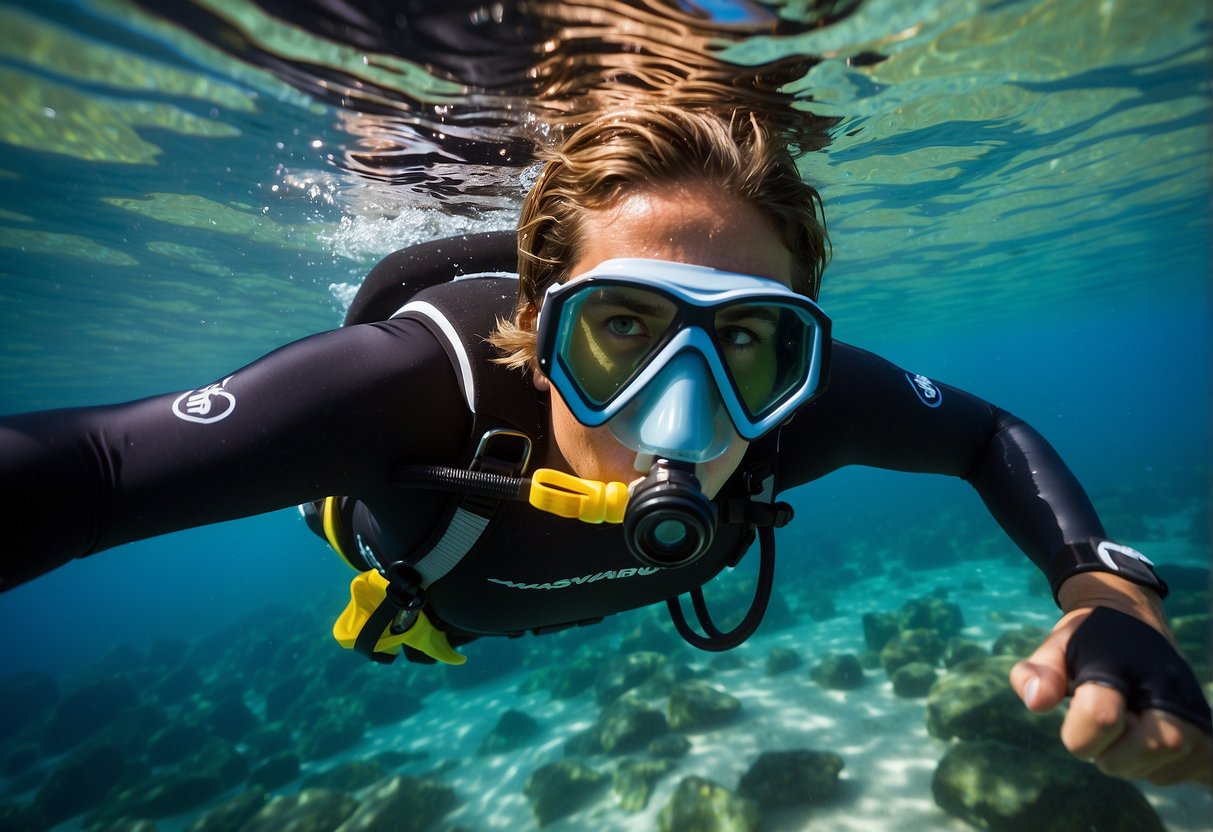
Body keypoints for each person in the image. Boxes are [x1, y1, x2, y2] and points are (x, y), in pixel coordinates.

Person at [1, 105, 1209, 787]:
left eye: (747, 341)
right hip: (429, 583)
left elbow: (988, 432)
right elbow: (91, 472)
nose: (673, 410)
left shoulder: (800, 405)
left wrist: (1108, 594)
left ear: (797, 350)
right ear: (538, 321)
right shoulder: (415, 389)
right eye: (620, 328)